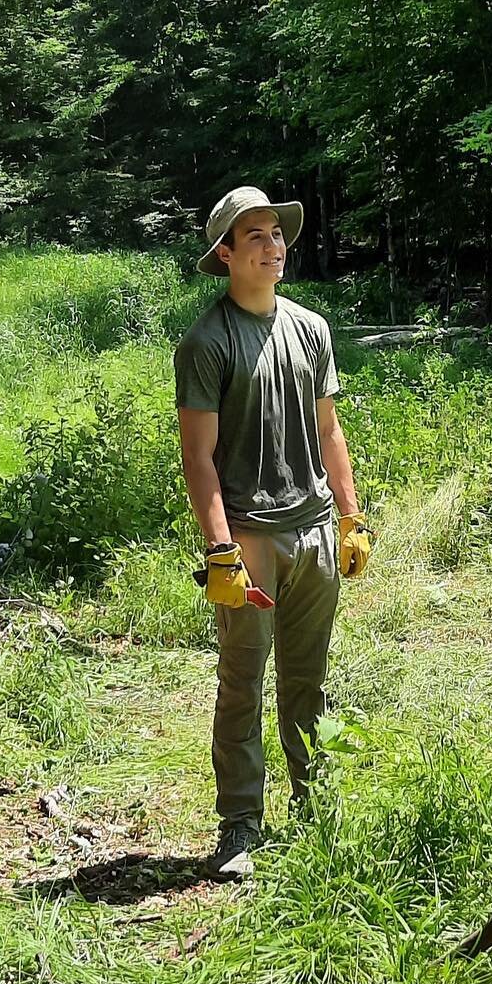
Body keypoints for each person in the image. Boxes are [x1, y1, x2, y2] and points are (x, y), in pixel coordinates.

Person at [174, 186, 374, 882]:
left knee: (308, 681)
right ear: (225, 253)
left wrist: (351, 518)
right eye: (253, 235)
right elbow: (197, 457)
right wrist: (220, 550)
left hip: (315, 529)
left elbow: (328, 430)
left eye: (276, 233)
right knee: (242, 683)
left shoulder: (311, 329)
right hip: (249, 540)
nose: (273, 245)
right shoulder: (206, 342)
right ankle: (240, 828)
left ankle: (315, 808)